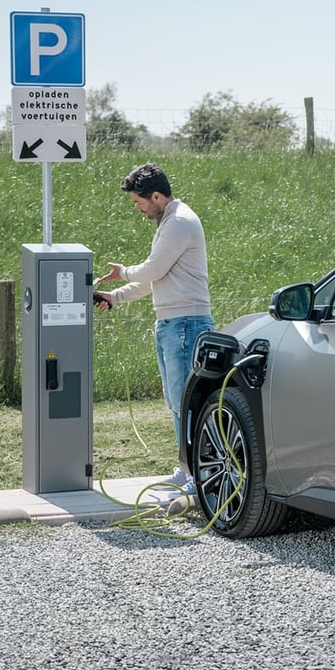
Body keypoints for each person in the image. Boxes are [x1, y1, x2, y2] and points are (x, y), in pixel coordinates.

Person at [93, 162, 214, 497]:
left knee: (187, 402)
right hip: (172, 324)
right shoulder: (168, 223)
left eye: (139, 202)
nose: (138, 208)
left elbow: (152, 268)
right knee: (176, 402)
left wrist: (122, 273)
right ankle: (186, 468)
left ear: (157, 196)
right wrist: (115, 297)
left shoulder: (178, 223)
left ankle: (198, 476)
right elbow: (155, 279)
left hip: (185, 325)